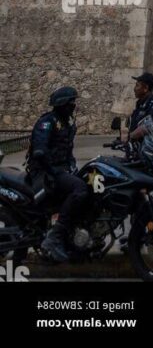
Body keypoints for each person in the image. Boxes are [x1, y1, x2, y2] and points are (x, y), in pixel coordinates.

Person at [25, 86, 90, 263]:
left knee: (87, 184)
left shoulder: (66, 123)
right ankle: (54, 238)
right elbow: (40, 150)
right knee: (80, 189)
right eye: (70, 103)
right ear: (61, 104)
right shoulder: (48, 122)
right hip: (44, 173)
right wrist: (53, 171)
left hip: (59, 170)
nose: (73, 106)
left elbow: (66, 151)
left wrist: (72, 167)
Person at [128, 72, 153, 140]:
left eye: (137, 85)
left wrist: (130, 136)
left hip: (148, 148)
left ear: (145, 88)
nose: (134, 89)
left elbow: (148, 127)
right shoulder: (140, 103)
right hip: (137, 147)